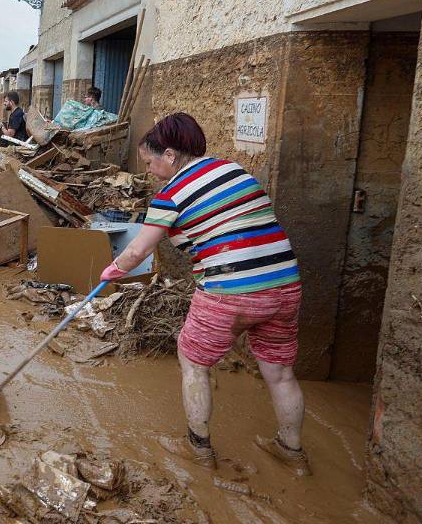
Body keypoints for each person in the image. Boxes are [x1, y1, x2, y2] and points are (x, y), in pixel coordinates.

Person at [101, 113, 309, 476]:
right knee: (280, 374)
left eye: (149, 162)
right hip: (284, 284)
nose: (149, 171)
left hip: (228, 288)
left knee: (193, 361)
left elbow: (136, 253)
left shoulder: (169, 197)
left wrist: (112, 270)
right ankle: (291, 450)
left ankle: (198, 448)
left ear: (168, 154)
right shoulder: (234, 170)